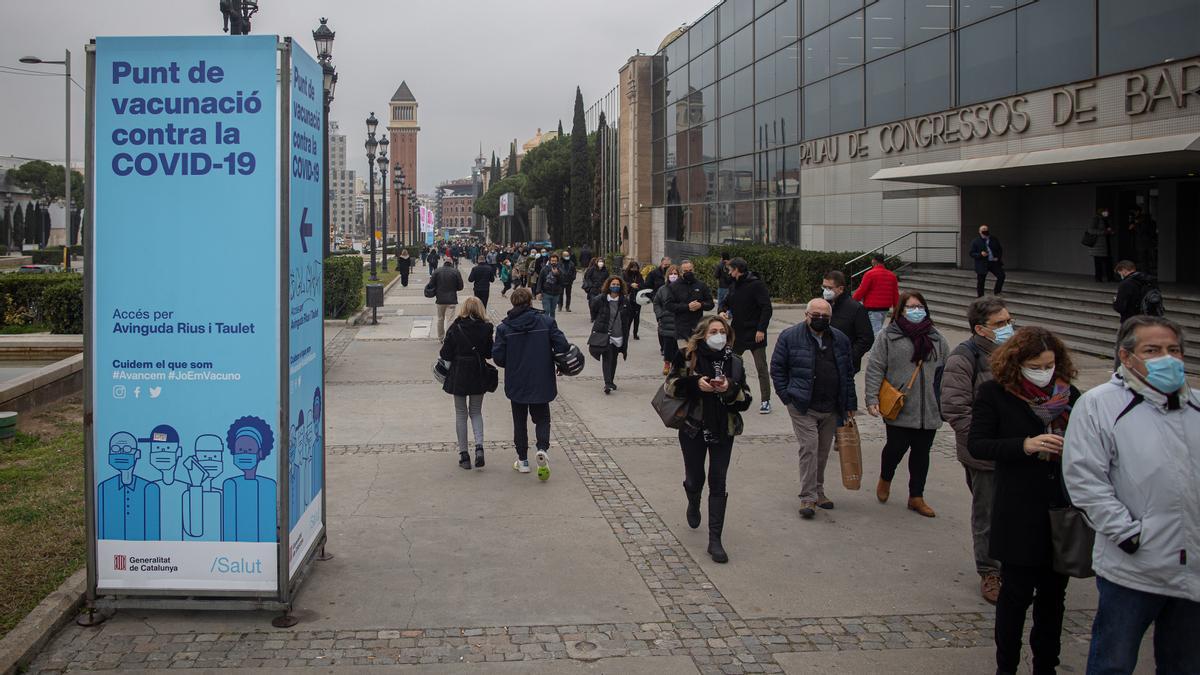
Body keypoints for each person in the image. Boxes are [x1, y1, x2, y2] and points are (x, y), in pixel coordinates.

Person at [1063, 316, 1199, 675]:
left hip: (1193, 567)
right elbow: (1085, 481)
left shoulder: (1196, 406)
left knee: (1185, 662)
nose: (1166, 358)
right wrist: (1129, 535)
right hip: (1135, 567)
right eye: (1152, 350)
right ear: (1126, 356)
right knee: (1113, 662)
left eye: (1174, 350)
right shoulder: (1099, 405)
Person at [969, 326, 1081, 675]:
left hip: (1060, 511)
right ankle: (1007, 666)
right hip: (1018, 511)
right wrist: (1025, 445)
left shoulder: (1070, 395)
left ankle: (1045, 665)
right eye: (1036, 364)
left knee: (1053, 599)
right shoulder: (994, 394)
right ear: (1017, 363)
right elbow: (979, 444)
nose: (1044, 371)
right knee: (1015, 597)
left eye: (1049, 364)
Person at [940, 296, 1012, 605]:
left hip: (1020, 451)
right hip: (985, 456)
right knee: (988, 515)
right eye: (1001, 324)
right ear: (981, 329)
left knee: (1016, 513)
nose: (1009, 327)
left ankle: (1015, 565)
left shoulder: (1016, 355)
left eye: (1009, 321)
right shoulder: (964, 357)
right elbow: (956, 409)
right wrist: (986, 445)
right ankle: (989, 572)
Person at [664, 314, 752, 563]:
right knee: (695, 477)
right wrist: (694, 384)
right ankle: (693, 499)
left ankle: (715, 540)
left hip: (724, 428)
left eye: (722, 331)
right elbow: (670, 386)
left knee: (718, 480)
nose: (718, 336)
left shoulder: (734, 361)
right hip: (693, 426)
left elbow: (746, 399)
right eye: (713, 331)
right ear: (703, 334)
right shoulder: (687, 356)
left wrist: (730, 389)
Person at [771, 298, 857, 519]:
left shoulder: (840, 339)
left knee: (822, 450)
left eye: (824, 317)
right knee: (809, 447)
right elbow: (777, 369)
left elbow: (847, 373)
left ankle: (818, 490)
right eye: (815, 315)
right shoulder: (790, 336)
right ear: (806, 315)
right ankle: (808, 497)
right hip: (801, 403)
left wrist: (849, 405)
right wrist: (786, 396)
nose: (820, 319)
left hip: (830, 405)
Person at [864, 291, 948, 517]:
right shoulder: (888, 336)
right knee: (895, 448)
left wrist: (945, 401)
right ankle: (886, 477)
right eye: (910, 307)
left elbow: (946, 372)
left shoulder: (937, 338)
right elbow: (875, 368)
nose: (916, 310)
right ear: (900, 310)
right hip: (900, 405)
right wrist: (871, 398)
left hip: (929, 408)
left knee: (922, 453)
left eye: (919, 306)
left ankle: (916, 496)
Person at [492, 288, 570, 481]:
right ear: (530, 302)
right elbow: (562, 346)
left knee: (520, 421)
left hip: (517, 380)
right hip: (541, 378)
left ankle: (523, 460)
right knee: (542, 417)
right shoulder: (546, 322)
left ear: (513, 303)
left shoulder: (504, 328)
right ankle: (542, 449)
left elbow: (499, 358)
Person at [440, 297, 494, 470]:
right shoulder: (486, 328)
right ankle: (479, 447)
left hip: (459, 372)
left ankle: (464, 455)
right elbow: (488, 353)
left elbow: (445, 353)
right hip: (477, 371)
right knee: (476, 412)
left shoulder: (456, 327)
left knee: (461, 413)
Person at [719, 258, 774, 414]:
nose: (729, 272)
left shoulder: (756, 285)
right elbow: (726, 302)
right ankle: (730, 394)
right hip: (737, 332)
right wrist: (722, 310)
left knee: (761, 368)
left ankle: (765, 400)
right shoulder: (734, 284)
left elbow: (766, 308)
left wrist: (761, 329)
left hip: (755, 333)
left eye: (730, 269)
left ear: (737, 269)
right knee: (729, 364)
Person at [589, 275, 635, 395]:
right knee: (607, 357)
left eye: (617, 285)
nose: (615, 286)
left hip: (618, 334)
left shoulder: (624, 301)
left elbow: (629, 316)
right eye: (613, 284)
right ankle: (607, 383)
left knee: (613, 359)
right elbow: (593, 311)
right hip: (605, 334)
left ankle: (611, 381)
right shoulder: (601, 299)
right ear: (608, 285)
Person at [822, 270, 873, 373]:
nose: (826, 291)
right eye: (824, 287)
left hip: (845, 366)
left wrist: (849, 356)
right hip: (823, 362)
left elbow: (866, 338)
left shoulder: (856, 309)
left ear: (840, 289)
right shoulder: (822, 305)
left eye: (830, 288)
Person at [665, 260, 715, 348]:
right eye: (685, 271)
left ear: (693, 270)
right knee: (686, 357)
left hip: (698, 329)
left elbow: (710, 304)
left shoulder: (701, 285)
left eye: (690, 270)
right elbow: (669, 305)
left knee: (697, 358)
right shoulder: (674, 286)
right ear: (681, 272)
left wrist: (701, 305)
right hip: (681, 329)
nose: (688, 273)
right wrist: (687, 307)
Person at [852, 254, 899, 336]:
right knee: (879, 329)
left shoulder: (870, 274)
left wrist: (853, 300)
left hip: (872, 308)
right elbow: (895, 294)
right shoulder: (892, 275)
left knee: (875, 332)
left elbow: (862, 290)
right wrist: (897, 308)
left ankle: (878, 348)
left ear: (874, 261)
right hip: (885, 308)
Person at [1112, 259, 1161, 324]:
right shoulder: (1149, 280)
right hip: (1149, 318)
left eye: (1119, 273)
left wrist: (1115, 301)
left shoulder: (1125, 284)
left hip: (1131, 320)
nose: (1120, 275)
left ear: (1124, 270)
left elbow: (1120, 308)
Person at [653, 265, 680, 376]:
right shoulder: (662, 289)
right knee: (667, 345)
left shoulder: (682, 288)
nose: (673, 276)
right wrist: (660, 315)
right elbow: (656, 303)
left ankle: (676, 365)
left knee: (678, 346)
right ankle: (667, 363)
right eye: (671, 274)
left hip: (679, 321)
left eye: (675, 274)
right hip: (666, 321)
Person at [969, 224, 1006, 297]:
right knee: (981, 281)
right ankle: (980, 296)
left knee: (1001, 276)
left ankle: (997, 292)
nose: (985, 232)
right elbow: (971, 253)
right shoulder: (975, 241)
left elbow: (999, 249)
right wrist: (980, 254)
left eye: (986, 230)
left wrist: (998, 257)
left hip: (993, 262)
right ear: (979, 232)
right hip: (982, 263)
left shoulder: (994, 239)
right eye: (983, 231)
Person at [431, 258, 464, 340]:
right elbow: (460, 287)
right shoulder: (455, 271)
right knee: (450, 319)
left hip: (440, 299)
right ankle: (448, 337)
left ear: (444, 262)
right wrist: (454, 288)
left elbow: (431, 284)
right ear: (451, 263)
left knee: (440, 319)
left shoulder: (437, 271)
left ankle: (441, 337)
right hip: (451, 299)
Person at [1087, 208, 1116, 283]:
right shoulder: (1096, 219)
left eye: (1107, 212)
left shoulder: (1106, 219)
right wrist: (1104, 232)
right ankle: (1098, 278)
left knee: (1108, 261)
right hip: (1098, 245)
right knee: (1098, 262)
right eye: (1105, 212)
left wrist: (1110, 232)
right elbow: (1090, 230)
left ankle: (1110, 277)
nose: (1106, 213)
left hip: (1106, 244)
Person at [534, 252, 566, 319]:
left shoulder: (560, 269)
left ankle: (551, 325)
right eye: (552, 261)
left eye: (555, 261)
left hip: (556, 293)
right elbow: (540, 281)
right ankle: (545, 324)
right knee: (546, 310)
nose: (553, 262)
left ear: (557, 261)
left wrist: (557, 274)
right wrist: (538, 292)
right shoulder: (545, 269)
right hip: (546, 293)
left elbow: (562, 281)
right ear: (549, 261)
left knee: (552, 311)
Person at [622, 260, 645, 340]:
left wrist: (638, 285)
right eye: (633, 268)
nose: (634, 270)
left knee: (637, 317)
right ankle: (626, 333)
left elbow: (643, 284)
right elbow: (623, 283)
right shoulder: (625, 274)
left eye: (636, 268)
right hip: (629, 298)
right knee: (629, 317)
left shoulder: (639, 275)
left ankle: (635, 333)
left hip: (638, 298)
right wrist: (630, 285)